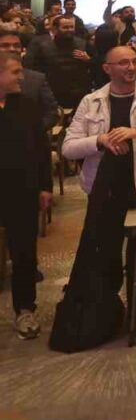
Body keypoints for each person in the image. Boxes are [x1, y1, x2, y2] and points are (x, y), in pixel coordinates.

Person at [62, 46, 136, 334]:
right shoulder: (91, 101)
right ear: (107, 69)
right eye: (123, 63)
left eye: (134, 62)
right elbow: (68, 148)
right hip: (104, 189)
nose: (131, 67)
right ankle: (105, 312)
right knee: (106, 253)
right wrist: (99, 140)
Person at [0, 52, 52, 340]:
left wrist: (45, 186)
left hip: (22, 191)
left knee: (24, 253)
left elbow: (42, 149)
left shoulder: (26, 105)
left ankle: (25, 309)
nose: (21, 76)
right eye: (15, 72)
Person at [0, 32, 57, 131]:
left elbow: (51, 113)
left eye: (16, 45)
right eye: (5, 45)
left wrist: (31, 130)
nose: (12, 49)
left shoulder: (36, 79)